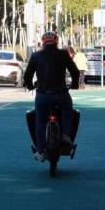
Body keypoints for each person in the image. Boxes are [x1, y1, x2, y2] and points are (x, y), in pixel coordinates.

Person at [23, 32, 80, 162]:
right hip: (61, 94)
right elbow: (75, 72)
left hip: (43, 95)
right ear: (56, 42)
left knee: (40, 121)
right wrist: (75, 84)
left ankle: (41, 151)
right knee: (67, 109)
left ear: (43, 42)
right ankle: (65, 134)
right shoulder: (63, 54)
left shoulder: (36, 56)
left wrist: (30, 86)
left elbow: (27, 75)